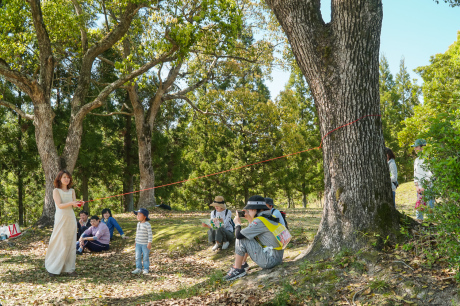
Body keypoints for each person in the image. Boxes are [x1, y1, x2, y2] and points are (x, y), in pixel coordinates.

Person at [224, 195, 285, 281]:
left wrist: (237, 224)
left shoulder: (259, 221)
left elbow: (239, 236)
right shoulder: (269, 217)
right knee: (247, 236)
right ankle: (243, 263)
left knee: (242, 239)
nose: (248, 212)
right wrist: (250, 219)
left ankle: (238, 269)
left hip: (270, 261)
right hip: (277, 257)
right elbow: (253, 233)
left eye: (249, 210)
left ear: (254, 210)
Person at [45, 170, 83, 277]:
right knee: (59, 241)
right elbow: (60, 205)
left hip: (71, 218)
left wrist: (79, 203)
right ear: (60, 179)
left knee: (70, 242)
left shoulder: (72, 191)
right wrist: (72, 202)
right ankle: (53, 268)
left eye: (68, 177)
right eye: (64, 177)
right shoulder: (56, 191)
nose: (67, 179)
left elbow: (74, 205)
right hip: (61, 218)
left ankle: (70, 269)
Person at [411, 139, 434, 221]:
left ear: (422, 147)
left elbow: (430, 175)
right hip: (419, 189)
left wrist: (424, 187)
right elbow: (415, 175)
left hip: (428, 188)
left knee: (430, 209)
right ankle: (419, 224)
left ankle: (431, 225)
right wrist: (417, 187)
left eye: (416, 147)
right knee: (419, 210)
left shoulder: (428, 159)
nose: (415, 149)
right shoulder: (416, 160)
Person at [132, 208, 153, 275]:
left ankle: (146, 269)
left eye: (139, 214)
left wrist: (149, 243)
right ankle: (138, 268)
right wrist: (135, 241)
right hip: (138, 243)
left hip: (145, 244)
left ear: (144, 216)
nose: (137, 216)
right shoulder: (138, 224)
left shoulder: (147, 224)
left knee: (145, 257)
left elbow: (150, 234)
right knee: (137, 256)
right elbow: (137, 233)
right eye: (137, 214)